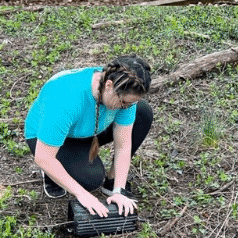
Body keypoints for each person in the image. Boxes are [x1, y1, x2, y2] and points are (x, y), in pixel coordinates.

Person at [25, 55, 153, 218]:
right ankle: (51, 173)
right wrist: (82, 195)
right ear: (108, 85)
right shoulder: (66, 100)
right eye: (123, 103)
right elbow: (43, 157)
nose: (126, 108)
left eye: (130, 104)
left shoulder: (122, 90)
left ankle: (111, 181)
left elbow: (123, 145)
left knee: (143, 113)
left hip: (88, 129)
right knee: (90, 180)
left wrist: (118, 190)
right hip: (47, 138)